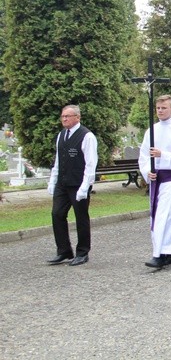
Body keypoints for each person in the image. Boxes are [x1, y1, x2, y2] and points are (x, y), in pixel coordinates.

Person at [139, 95, 171, 269]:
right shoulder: (151, 131)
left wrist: (164, 155)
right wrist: (148, 172)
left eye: (164, 108)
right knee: (159, 215)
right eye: (158, 108)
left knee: (169, 216)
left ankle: (164, 252)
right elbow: (144, 156)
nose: (160, 111)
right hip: (157, 179)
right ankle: (164, 251)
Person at [47, 105, 98, 266]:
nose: (64, 119)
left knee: (81, 217)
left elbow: (91, 164)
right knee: (57, 214)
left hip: (78, 183)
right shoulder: (61, 135)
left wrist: (85, 186)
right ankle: (63, 250)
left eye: (68, 116)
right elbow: (58, 161)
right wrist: (53, 180)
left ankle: (82, 252)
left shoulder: (87, 136)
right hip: (63, 183)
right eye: (62, 116)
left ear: (77, 117)